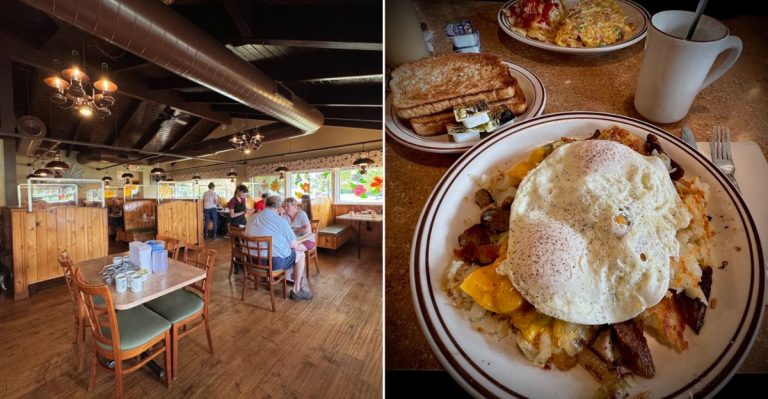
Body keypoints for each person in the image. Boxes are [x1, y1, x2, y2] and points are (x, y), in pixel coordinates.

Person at [246, 195, 312, 300]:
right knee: (300, 254)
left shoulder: (252, 218)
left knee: (279, 249)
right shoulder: (281, 221)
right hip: (272, 263)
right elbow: (293, 245)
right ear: (278, 207)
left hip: (251, 260)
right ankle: (297, 290)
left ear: (266, 204)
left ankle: (271, 281)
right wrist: (302, 246)